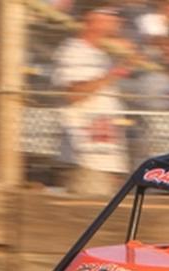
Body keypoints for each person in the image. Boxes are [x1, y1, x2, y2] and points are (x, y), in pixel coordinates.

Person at [50, 5, 132, 195]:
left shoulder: (104, 54)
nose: (116, 20)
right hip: (84, 157)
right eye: (110, 14)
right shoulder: (73, 50)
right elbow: (73, 94)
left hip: (106, 158)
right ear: (92, 18)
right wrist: (112, 74)